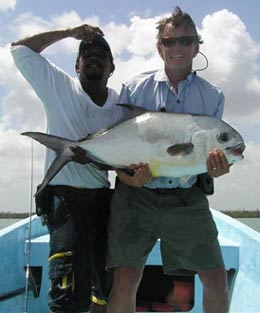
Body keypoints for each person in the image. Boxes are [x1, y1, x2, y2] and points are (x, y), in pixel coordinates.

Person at [107, 7, 230, 313]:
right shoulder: (135, 87)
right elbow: (119, 144)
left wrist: (217, 167)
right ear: (159, 47)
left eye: (185, 40)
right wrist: (125, 176)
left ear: (196, 46)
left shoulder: (213, 96)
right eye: (170, 41)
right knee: (126, 278)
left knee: (215, 278)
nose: (178, 47)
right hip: (136, 196)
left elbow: (205, 154)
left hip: (186, 196)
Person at [11, 24, 125, 313]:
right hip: (64, 198)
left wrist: (96, 158)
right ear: (77, 65)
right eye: (88, 54)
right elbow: (20, 49)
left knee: (106, 284)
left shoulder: (122, 108)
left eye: (102, 54)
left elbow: (124, 159)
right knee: (67, 285)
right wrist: (69, 33)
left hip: (103, 200)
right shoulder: (58, 86)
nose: (95, 58)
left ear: (112, 67)